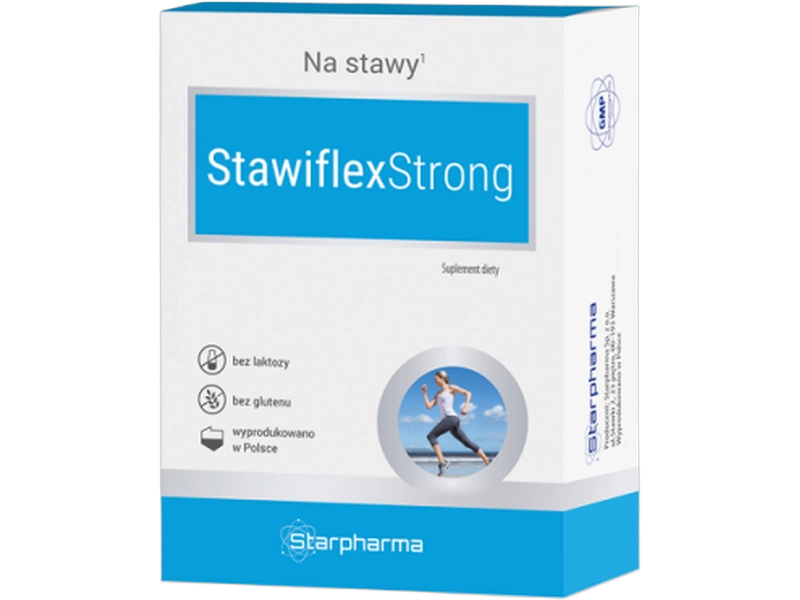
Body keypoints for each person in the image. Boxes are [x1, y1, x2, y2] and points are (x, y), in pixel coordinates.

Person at [422, 370, 492, 477]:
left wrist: (465, 407)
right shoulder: (438, 394)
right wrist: (424, 393)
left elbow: (468, 393)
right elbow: (428, 406)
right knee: (467, 442)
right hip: (451, 420)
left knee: (431, 436)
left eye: (436, 379)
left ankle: (442, 462)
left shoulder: (451, 388)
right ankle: (487, 461)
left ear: (442, 378)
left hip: (451, 418)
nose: (435, 381)